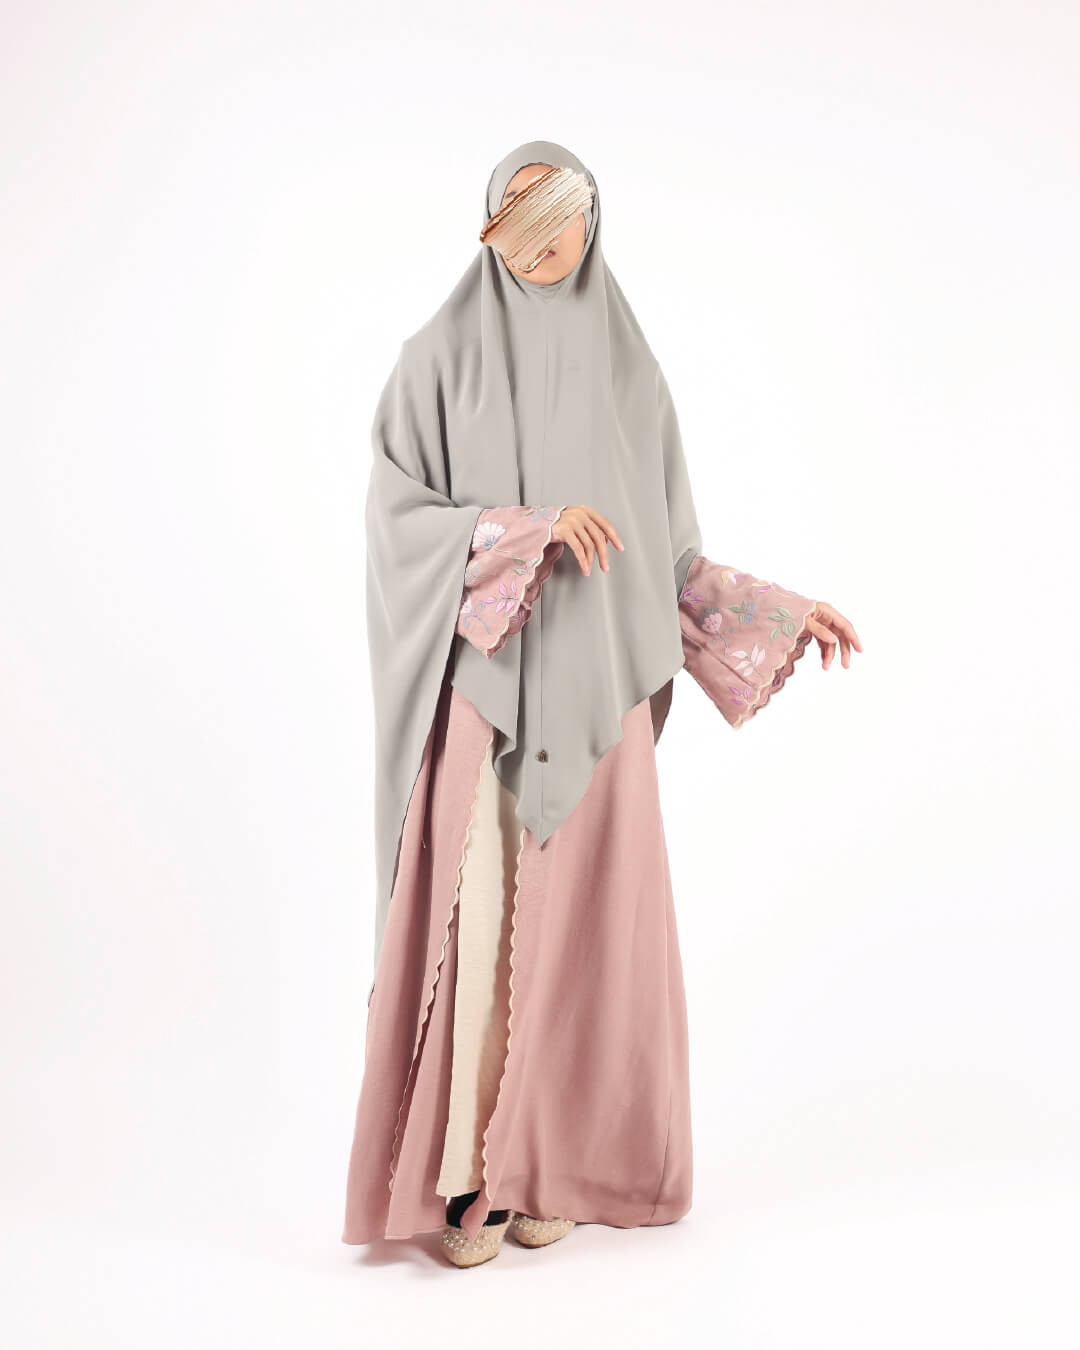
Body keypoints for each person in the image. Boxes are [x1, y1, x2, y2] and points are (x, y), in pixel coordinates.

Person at [341, 139, 862, 1269]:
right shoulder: (438, 359)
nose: (544, 241)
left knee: (584, 933)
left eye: (562, 215)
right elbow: (397, 525)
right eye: (520, 217)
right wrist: (522, 530)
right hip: (485, 699)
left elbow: (669, 562)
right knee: (483, 924)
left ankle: (557, 1167)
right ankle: (469, 1176)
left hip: (599, 706)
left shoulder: (632, 371)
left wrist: (780, 611)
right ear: (491, 224)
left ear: (593, 220)